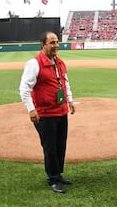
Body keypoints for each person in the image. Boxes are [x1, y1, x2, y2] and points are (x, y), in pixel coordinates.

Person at [19, 31, 76, 193]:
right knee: (50, 147)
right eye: (52, 42)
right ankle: (52, 178)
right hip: (45, 114)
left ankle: (58, 174)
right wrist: (31, 109)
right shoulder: (34, 63)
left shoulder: (60, 62)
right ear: (43, 44)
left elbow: (65, 82)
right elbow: (24, 88)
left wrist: (69, 100)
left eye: (57, 42)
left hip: (60, 110)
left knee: (60, 144)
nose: (56, 45)